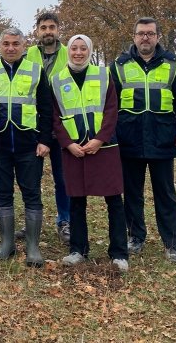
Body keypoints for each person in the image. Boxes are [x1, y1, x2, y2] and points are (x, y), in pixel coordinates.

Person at [110, 17, 176, 262]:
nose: (146, 37)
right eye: (141, 33)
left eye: (150, 33)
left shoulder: (174, 64)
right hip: (129, 138)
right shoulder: (118, 65)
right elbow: (110, 104)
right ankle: (135, 237)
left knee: (165, 193)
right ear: (134, 37)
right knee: (132, 193)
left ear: (157, 37)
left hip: (162, 138)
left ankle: (172, 243)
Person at [0, 27, 53, 268]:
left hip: (29, 144)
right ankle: (7, 242)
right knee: (3, 192)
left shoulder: (36, 71)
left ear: (23, 45)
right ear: (0, 46)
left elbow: (47, 109)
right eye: (6, 43)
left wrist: (45, 140)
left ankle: (32, 246)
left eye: (15, 44)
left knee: (32, 193)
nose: (10, 48)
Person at [50, 35, 129, 272]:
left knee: (114, 200)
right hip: (73, 150)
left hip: (103, 147)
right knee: (76, 201)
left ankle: (119, 253)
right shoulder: (56, 80)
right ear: (68, 51)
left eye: (83, 48)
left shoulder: (104, 75)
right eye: (74, 48)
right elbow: (53, 116)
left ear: (90, 51)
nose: (78, 52)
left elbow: (112, 110)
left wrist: (99, 139)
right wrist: (67, 143)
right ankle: (77, 250)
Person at [23, 11, 71, 244]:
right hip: (35, 125)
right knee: (31, 178)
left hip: (62, 126)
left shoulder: (70, 53)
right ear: (37, 31)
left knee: (63, 179)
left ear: (58, 30)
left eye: (52, 27)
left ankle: (65, 221)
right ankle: (31, 222)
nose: (48, 31)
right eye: (43, 27)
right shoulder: (28, 54)